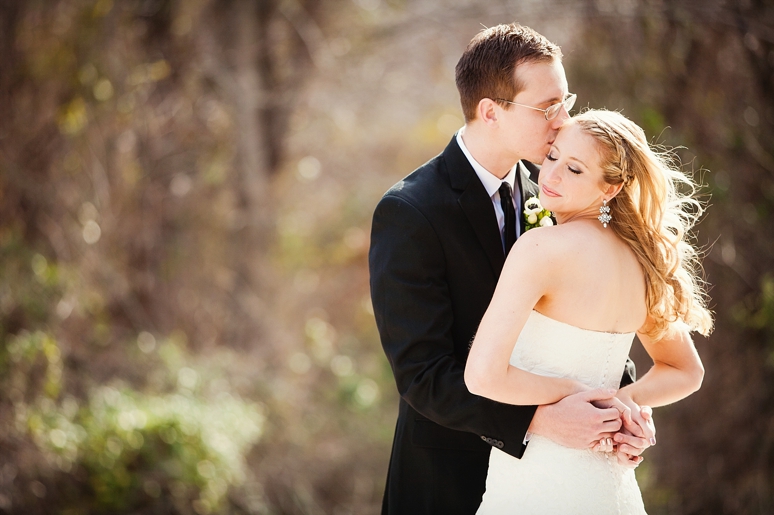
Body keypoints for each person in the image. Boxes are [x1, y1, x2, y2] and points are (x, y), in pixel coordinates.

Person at [369, 24, 657, 515]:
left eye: (565, 100)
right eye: (548, 107)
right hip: (448, 479)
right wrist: (540, 419)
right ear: (490, 113)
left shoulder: (557, 189)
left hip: (556, 479)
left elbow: (574, 325)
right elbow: (422, 375)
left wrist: (621, 409)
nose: (564, 119)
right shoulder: (411, 212)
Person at [465, 109, 711, 513]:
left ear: (611, 188)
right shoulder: (643, 261)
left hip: (537, 482)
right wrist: (620, 404)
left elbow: (481, 376)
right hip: (609, 485)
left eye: (575, 170)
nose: (551, 176)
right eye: (553, 157)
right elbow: (685, 370)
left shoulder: (540, 248)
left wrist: (577, 394)